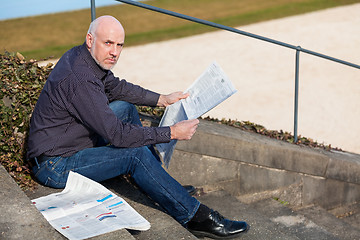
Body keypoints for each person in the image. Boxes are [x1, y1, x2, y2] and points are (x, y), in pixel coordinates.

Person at [27, 15, 249, 239]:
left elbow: (116, 88)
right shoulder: (81, 78)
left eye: (119, 45)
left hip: (69, 141)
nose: (114, 52)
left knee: (125, 108)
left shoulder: (83, 57)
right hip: (54, 165)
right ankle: (195, 217)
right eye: (108, 43)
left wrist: (161, 99)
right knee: (135, 154)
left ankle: (161, 184)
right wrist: (171, 133)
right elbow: (118, 135)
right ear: (90, 39)